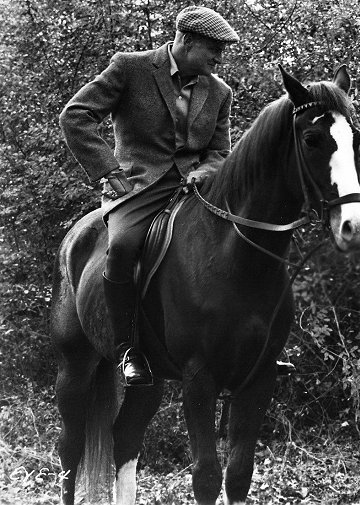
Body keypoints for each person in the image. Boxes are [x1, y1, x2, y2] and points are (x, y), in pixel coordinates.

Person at [60, 6, 242, 386]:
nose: (219, 58)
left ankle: (248, 345)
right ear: (186, 41)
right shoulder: (130, 67)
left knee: (239, 243)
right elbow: (76, 115)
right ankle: (128, 349)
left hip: (195, 189)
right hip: (138, 186)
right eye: (214, 48)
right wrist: (108, 171)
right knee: (123, 247)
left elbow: (219, 152)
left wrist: (203, 172)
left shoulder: (220, 91)